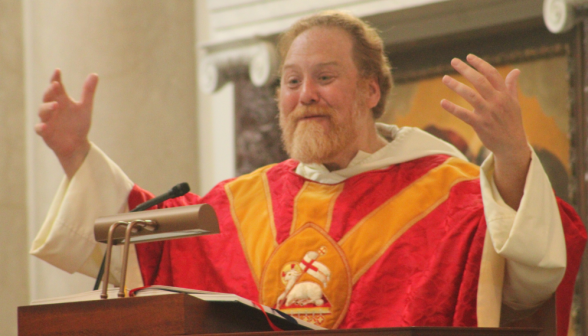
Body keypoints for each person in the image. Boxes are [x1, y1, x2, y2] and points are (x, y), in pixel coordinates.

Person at [30, 10, 586, 334]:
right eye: (292, 81)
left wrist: (512, 155)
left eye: (324, 77)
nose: (305, 96)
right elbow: (148, 243)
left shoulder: (448, 193)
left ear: (371, 90)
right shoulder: (244, 202)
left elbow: (529, 270)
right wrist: (76, 155)